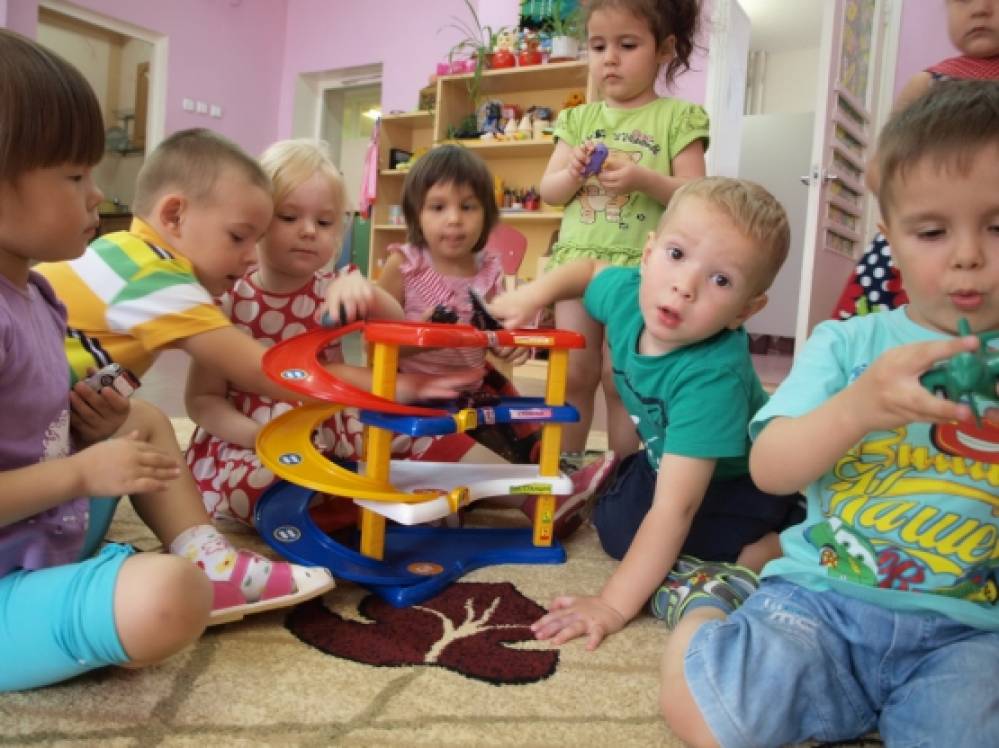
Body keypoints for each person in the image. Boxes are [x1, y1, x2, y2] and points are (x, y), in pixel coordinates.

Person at [660, 81, 999, 748]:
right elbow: (770, 469)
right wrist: (857, 407)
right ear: (889, 240)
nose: (967, 255)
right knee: (711, 719)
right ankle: (707, 604)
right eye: (932, 231)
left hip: (969, 631)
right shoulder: (846, 344)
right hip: (821, 600)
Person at [0, 30, 331, 692]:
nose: (97, 195)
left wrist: (90, 435)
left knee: (141, 422)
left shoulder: (37, 295)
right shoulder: (145, 272)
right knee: (165, 600)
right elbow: (254, 368)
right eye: (74, 176)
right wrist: (79, 473)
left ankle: (206, 558)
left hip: (38, 525)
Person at [489, 177, 802, 650]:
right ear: (648, 254)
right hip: (666, 460)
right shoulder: (629, 295)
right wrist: (532, 296)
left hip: (740, 485)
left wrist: (613, 605)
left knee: (650, 532)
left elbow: (678, 507)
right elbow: (588, 271)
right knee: (615, 521)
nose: (685, 286)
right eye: (676, 255)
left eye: (721, 280)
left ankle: (778, 541)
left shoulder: (712, 378)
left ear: (745, 310)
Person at [327, 144, 619, 537]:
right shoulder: (405, 264)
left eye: (468, 207)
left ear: (486, 215)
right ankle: (538, 500)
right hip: (415, 398)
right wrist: (424, 337)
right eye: (438, 207)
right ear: (416, 214)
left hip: (476, 390)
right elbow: (375, 347)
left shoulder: (489, 269)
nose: (454, 219)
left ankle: (548, 478)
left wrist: (509, 343)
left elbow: (494, 331)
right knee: (450, 452)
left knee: (527, 431)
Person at [541, 0, 709, 471]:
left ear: (664, 50)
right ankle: (566, 468)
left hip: (639, 270)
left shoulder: (678, 118)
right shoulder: (577, 120)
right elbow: (549, 191)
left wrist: (643, 179)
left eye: (627, 45)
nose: (610, 58)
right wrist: (572, 173)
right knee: (573, 372)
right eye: (598, 46)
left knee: (622, 379)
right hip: (577, 269)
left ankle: (622, 473)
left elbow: (696, 194)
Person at [184, 139, 360, 530]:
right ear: (256, 222)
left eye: (324, 222)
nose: (309, 231)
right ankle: (323, 510)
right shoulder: (230, 301)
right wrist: (260, 437)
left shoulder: (337, 290)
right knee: (260, 484)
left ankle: (338, 503)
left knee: (408, 447)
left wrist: (366, 290)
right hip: (249, 435)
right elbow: (202, 400)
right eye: (289, 217)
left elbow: (395, 328)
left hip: (328, 430)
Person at [833, 0, 999, 320]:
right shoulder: (928, 83)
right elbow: (879, 169)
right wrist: (925, 222)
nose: (980, 8)